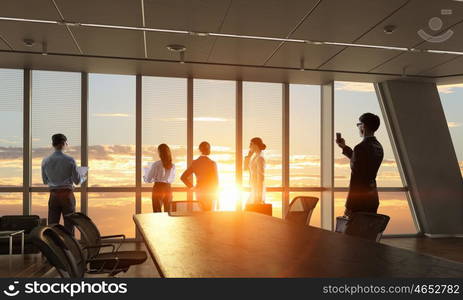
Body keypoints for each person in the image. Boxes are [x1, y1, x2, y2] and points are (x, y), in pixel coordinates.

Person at [336, 113, 384, 217]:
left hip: (358, 202)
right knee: (366, 231)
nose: (358, 127)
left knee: (351, 232)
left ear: (363, 126)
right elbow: (361, 161)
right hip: (372, 199)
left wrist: (349, 205)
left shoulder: (360, 148)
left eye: (359, 124)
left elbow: (356, 177)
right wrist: (344, 147)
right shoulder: (379, 147)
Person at [41, 134, 85, 235]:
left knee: (52, 225)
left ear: (53, 144)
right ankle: (69, 248)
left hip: (53, 195)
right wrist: (83, 176)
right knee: (69, 225)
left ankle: (54, 248)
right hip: (67, 195)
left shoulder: (45, 161)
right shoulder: (70, 160)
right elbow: (77, 181)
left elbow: (44, 180)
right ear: (64, 143)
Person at [181, 142, 218, 211]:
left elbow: (183, 177)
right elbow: (216, 182)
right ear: (209, 150)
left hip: (199, 192)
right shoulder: (212, 163)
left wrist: (192, 187)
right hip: (210, 192)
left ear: (199, 150)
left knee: (201, 215)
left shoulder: (195, 163)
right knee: (210, 216)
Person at [144, 144, 175, 212]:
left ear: (160, 153)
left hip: (158, 188)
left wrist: (145, 175)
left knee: (157, 212)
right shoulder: (172, 165)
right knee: (168, 212)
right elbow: (172, 179)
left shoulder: (156, 164)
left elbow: (148, 179)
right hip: (168, 188)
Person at [244, 137, 266, 204]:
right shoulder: (254, 157)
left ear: (255, 145)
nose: (249, 146)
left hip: (257, 190)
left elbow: (261, 177)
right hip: (253, 187)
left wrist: (259, 196)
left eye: (251, 144)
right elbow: (245, 169)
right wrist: (248, 156)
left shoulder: (260, 158)